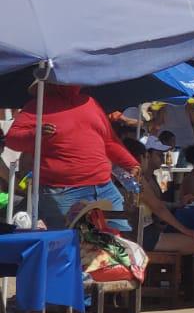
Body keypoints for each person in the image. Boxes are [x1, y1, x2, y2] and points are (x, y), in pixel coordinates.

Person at [3, 82, 141, 230]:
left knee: (117, 238)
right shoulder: (37, 106)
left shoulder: (90, 102)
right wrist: (35, 134)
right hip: (62, 192)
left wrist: (131, 164)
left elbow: (109, 140)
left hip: (104, 187)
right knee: (68, 241)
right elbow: (11, 139)